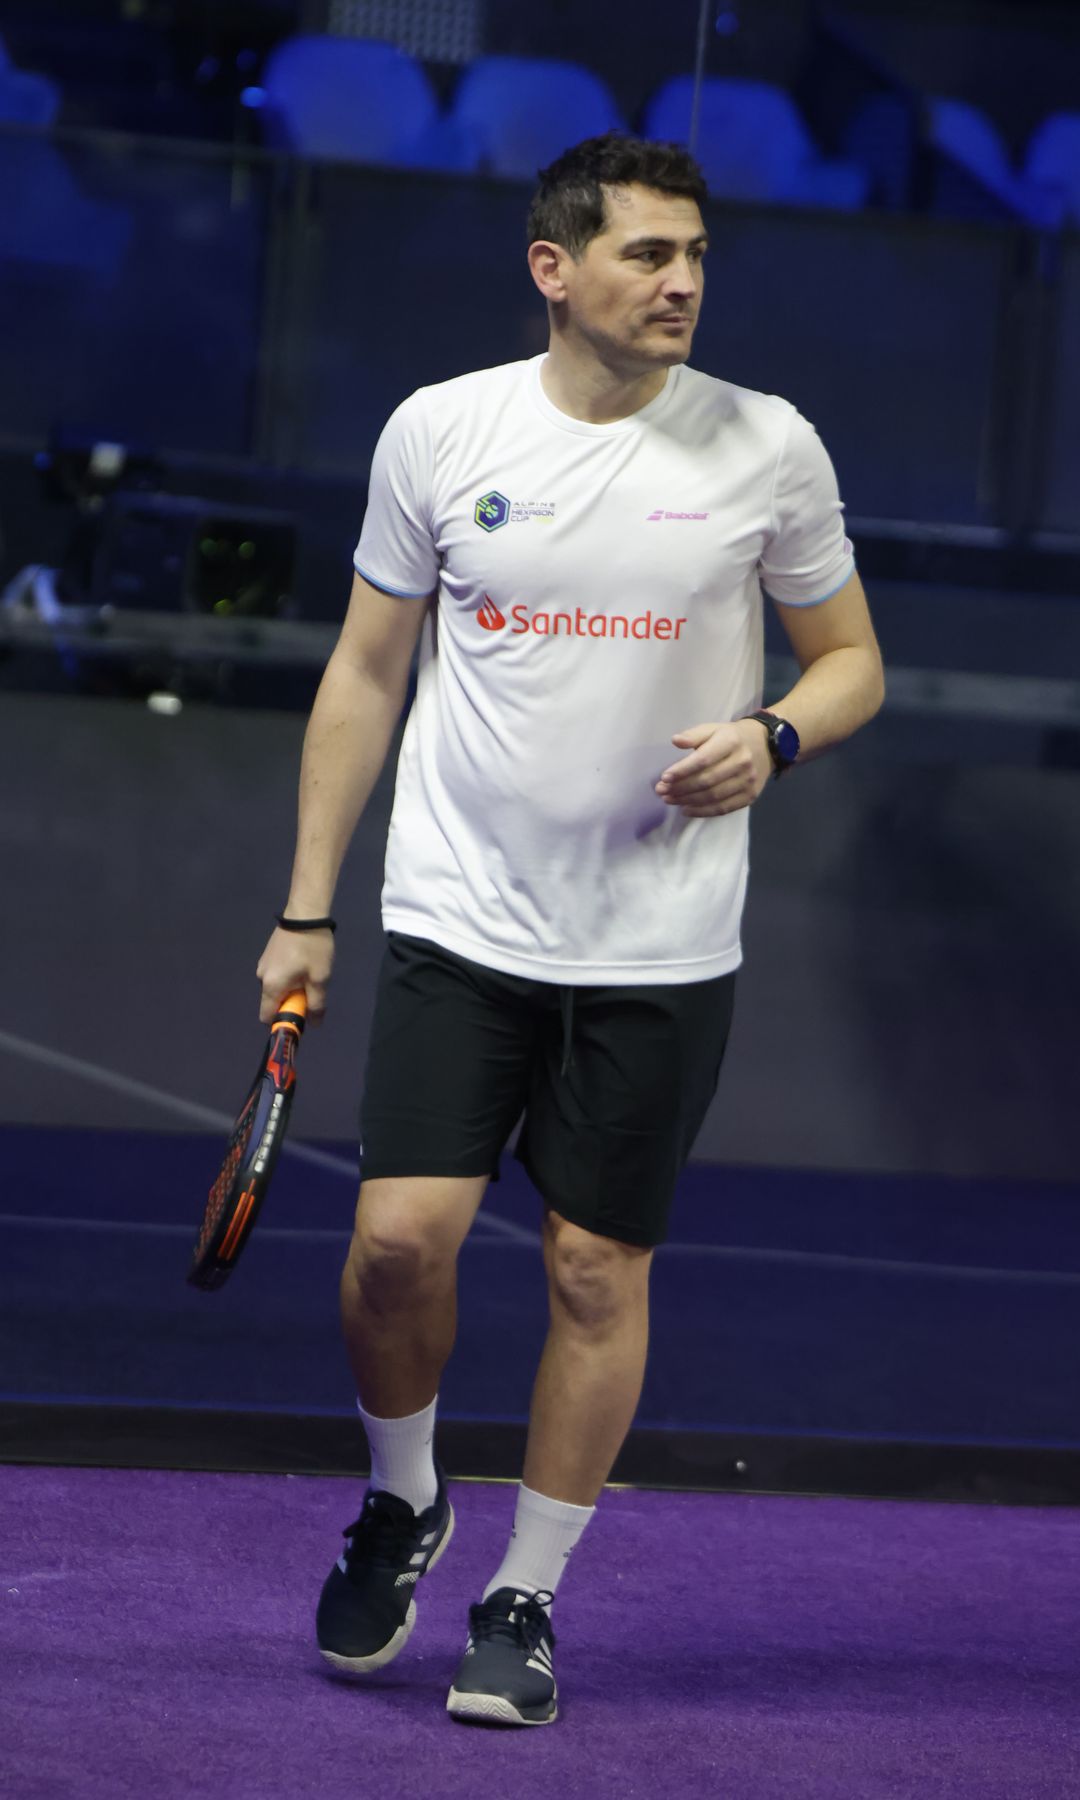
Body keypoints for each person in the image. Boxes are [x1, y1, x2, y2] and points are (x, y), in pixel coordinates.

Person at [255, 130, 884, 1728]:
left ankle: (523, 1598)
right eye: (645, 255)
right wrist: (305, 908)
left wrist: (783, 735)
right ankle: (405, 1498)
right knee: (397, 1246)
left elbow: (851, 662)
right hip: (460, 924)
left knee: (599, 1270)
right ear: (555, 269)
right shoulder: (440, 430)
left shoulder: (768, 446)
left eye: (693, 257)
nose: (680, 283)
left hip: (660, 948)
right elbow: (366, 675)